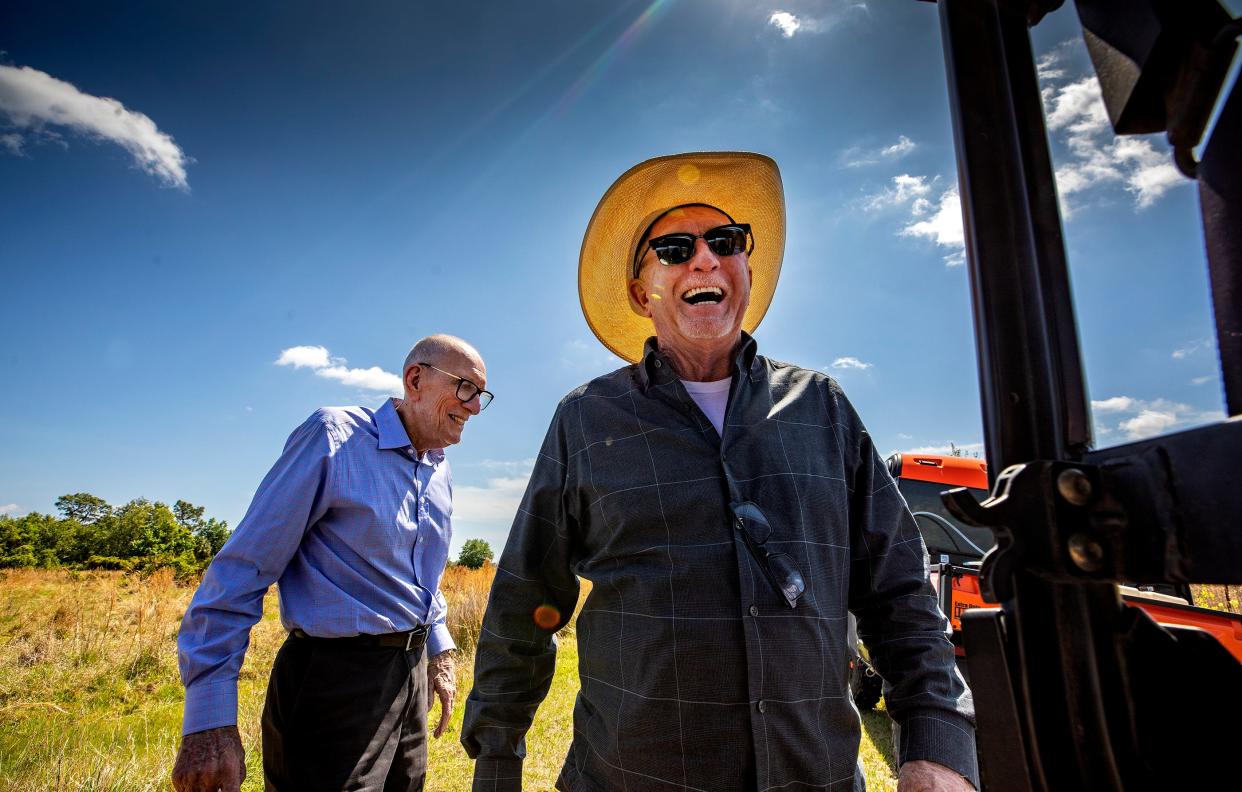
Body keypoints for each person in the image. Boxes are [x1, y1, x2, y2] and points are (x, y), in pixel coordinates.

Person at [461, 153, 977, 791]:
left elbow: (900, 592)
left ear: (746, 273)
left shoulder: (824, 409)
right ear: (639, 292)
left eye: (724, 242)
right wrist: (497, 759)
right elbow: (523, 600)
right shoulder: (587, 420)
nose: (703, 258)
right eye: (675, 248)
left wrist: (935, 745)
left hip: (813, 777)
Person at [173, 334, 492, 792]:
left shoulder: (437, 466)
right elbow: (242, 571)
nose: (475, 406)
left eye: (481, 395)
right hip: (334, 683)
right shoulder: (333, 437)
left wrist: (438, 653)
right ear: (415, 379)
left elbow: (425, 579)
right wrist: (208, 719)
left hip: (409, 677)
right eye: (465, 387)